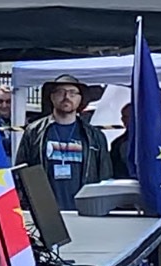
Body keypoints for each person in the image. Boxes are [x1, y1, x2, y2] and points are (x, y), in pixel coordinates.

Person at [15, 74, 111, 210]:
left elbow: (104, 177)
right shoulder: (34, 131)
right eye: (61, 92)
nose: (67, 97)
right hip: (44, 210)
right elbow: (21, 170)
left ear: (80, 99)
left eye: (73, 93)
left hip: (84, 211)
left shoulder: (95, 136)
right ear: (52, 97)